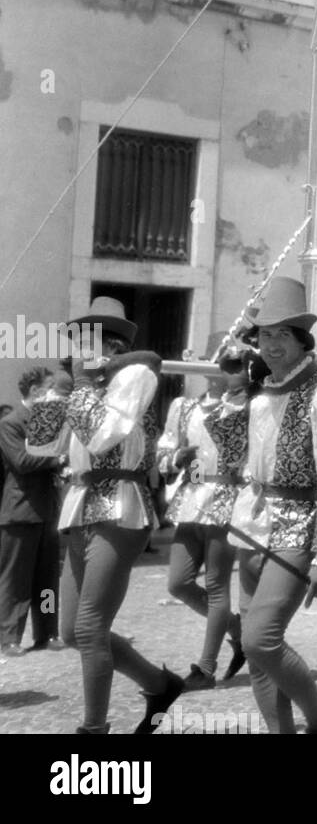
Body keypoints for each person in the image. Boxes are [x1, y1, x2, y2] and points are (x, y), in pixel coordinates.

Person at [211, 277, 317, 734]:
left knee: (260, 640)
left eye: (283, 335)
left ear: (302, 339)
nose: (272, 345)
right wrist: (239, 395)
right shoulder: (261, 397)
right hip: (254, 523)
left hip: (300, 526)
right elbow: (231, 453)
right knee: (258, 657)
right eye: (264, 336)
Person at [26, 298, 184, 734]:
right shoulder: (82, 385)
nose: (78, 350)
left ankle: (93, 730)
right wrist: (49, 395)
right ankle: (159, 684)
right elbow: (40, 447)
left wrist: (78, 386)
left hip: (120, 505)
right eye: (76, 342)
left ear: (112, 345)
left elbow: (99, 435)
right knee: (73, 632)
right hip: (78, 505)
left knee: (92, 627)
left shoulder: (136, 375)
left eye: (87, 342)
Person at [156, 347, 250, 689]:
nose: (221, 371)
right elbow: (164, 450)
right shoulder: (183, 407)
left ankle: (206, 668)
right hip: (190, 497)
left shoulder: (242, 406)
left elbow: (244, 450)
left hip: (225, 497)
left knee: (216, 585)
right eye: (217, 364)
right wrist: (176, 457)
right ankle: (238, 632)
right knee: (178, 582)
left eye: (230, 365)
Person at [0, 366, 63, 656]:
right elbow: (22, 461)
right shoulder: (11, 422)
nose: (54, 392)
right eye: (50, 387)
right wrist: (57, 457)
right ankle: (9, 637)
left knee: (48, 579)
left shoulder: (51, 419)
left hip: (48, 510)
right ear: (36, 391)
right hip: (21, 509)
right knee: (16, 579)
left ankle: (47, 632)